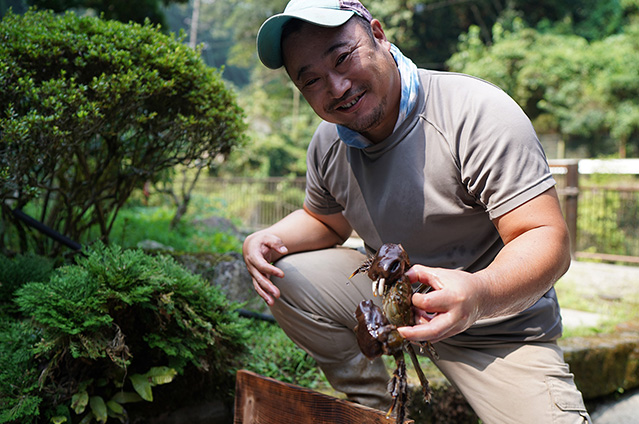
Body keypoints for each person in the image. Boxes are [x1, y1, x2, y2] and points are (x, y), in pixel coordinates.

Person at [243, 0, 592, 422]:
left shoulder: (475, 111)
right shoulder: (329, 141)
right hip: (390, 302)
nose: (336, 87)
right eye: (312, 80)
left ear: (378, 35)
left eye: (343, 57)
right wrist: (267, 239)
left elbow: (545, 237)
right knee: (285, 275)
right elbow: (325, 221)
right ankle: (374, 407)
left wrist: (479, 294)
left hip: (496, 328)